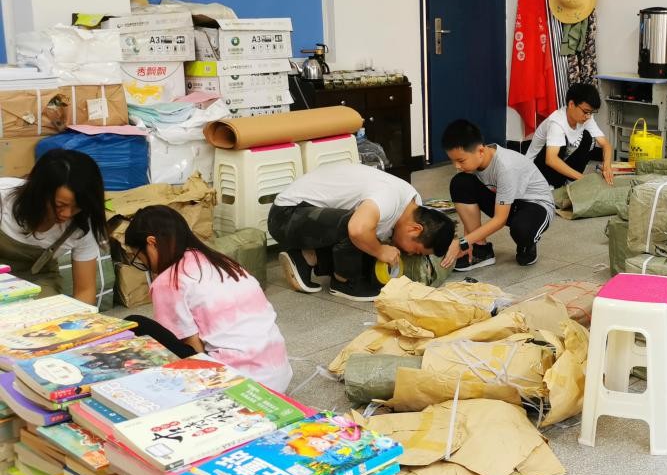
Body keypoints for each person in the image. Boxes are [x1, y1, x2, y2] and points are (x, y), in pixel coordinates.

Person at [123, 205, 293, 392]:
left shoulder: (169, 280)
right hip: (277, 376)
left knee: (135, 323)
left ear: (152, 243)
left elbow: (191, 346)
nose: (142, 263)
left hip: (237, 385)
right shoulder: (221, 262)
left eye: (138, 256)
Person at [269, 163, 455, 301]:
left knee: (368, 242)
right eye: (417, 251)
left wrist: (453, 240)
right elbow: (357, 230)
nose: (411, 254)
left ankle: (305, 258)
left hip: (308, 217)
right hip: (286, 216)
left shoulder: (413, 203)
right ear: (415, 229)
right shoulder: (389, 198)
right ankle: (345, 283)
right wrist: (380, 251)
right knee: (361, 229)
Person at [441, 119, 555, 270]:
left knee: (522, 229)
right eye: (453, 161)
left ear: (480, 151)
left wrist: (462, 242)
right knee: (460, 182)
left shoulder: (505, 167)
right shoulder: (475, 161)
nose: (457, 166)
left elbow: (500, 220)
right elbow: (468, 205)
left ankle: (527, 245)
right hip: (508, 201)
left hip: (536, 205)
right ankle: (481, 250)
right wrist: (470, 243)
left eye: (461, 160)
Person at [0, 149, 107, 305]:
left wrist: (80, 319)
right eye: (59, 205)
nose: (67, 214)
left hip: (36, 281)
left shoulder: (82, 225)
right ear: (38, 192)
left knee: (45, 314)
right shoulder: (3, 198)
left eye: (77, 207)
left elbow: (85, 290)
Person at [525, 82, 615, 189]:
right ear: (571, 104)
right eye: (586, 111)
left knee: (587, 137)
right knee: (563, 140)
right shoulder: (556, 122)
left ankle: (569, 183)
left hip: (559, 163)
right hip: (536, 169)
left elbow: (605, 144)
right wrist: (583, 179)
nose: (588, 116)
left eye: (591, 112)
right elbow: (551, 159)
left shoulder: (586, 118)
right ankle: (551, 186)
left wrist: (607, 166)